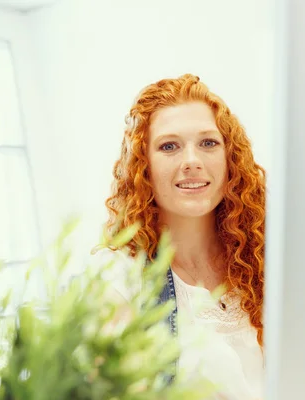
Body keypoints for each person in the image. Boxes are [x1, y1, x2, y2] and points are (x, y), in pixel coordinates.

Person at [97, 74, 266, 399]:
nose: (192, 161)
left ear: (230, 157)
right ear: (143, 165)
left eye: (208, 143)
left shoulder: (264, 258)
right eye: (169, 146)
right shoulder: (122, 282)